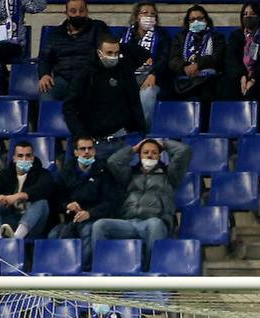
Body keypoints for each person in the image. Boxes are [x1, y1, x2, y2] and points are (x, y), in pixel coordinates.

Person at [95, 138, 190, 269]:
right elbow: (113, 161)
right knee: (100, 225)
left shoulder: (169, 175)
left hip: (154, 222)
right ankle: (101, 273)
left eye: (154, 152)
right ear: (139, 155)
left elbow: (184, 151)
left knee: (155, 224)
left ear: (159, 155)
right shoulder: (129, 174)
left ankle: (150, 274)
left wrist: (164, 144)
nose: (150, 155)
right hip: (128, 222)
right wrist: (133, 149)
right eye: (145, 152)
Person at [64, 32, 148, 163]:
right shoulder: (85, 75)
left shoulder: (124, 70)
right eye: (109, 53)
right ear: (99, 53)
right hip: (93, 142)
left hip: (122, 140)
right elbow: (69, 108)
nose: (113, 57)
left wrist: (141, 130)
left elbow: (143, 53)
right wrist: (81, 135)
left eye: (116, 53)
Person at [51, 136, 121, 267]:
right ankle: (59, 274)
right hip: (70, 219)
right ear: (76, 152)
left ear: (94, 151)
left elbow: (111, 201)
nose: (87, 152)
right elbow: (56, 199)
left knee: (88, 231)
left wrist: (90, 213)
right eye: (82, 149)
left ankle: (83, 272)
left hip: (93, 219)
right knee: (54, 235)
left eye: (90, 148)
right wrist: (67, 205)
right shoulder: (66, 172)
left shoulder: (104, 171)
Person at [158, 5, 225, 121]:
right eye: (192, 19)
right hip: (184, 79)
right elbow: (173, 60)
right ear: (187, 22)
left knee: (206, 94)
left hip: (208, 80)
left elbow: (217, 57)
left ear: (206, 20)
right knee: (164, 93)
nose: (196, 22)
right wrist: (185, 67)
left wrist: (198, 65)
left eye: (200, 18)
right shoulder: (180, 37)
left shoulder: (217, 37)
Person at [0, 140, 55, 240]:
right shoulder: (6, 173)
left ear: (33, 158)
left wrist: (18, 196)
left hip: (33, 225)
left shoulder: (43, 173)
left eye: (28, 156)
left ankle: (17, 238)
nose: (24, 159)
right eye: (20, 156)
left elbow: (45, 188)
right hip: (10, 223)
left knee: (42, 202)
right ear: (14, 158)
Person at [38, 0, 108, 101]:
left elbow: (108, 50)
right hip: (64, 79)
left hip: (91, 79)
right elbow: (45, 58)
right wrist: (44, 75)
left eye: (81, 11)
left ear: (87, 12)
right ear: (66, 13)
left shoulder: (98, 27)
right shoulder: (56, 34)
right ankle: (47, 117)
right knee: (46, 88)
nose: (78, 14)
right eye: (73, 11)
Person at [122, 3, 171, 127]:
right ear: (137, 16)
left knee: (147, 92)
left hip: (153, 78)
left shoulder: (162, 35)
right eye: (145, 13)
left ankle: (143, 131)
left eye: (153, 14)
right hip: (129, 77)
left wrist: (153, 73)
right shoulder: (125, 34)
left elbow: (164, 59)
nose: (149, 16)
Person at [221, 3, 260, 107]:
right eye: (245, 14)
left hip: (258, 77)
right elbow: (231, 58)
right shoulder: (236, 35)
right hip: (239, 76)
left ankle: (253, 122)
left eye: (252, 14)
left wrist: (253, 79)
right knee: (226, 88)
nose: (248, 17)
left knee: (253, 92)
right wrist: (242, 76)